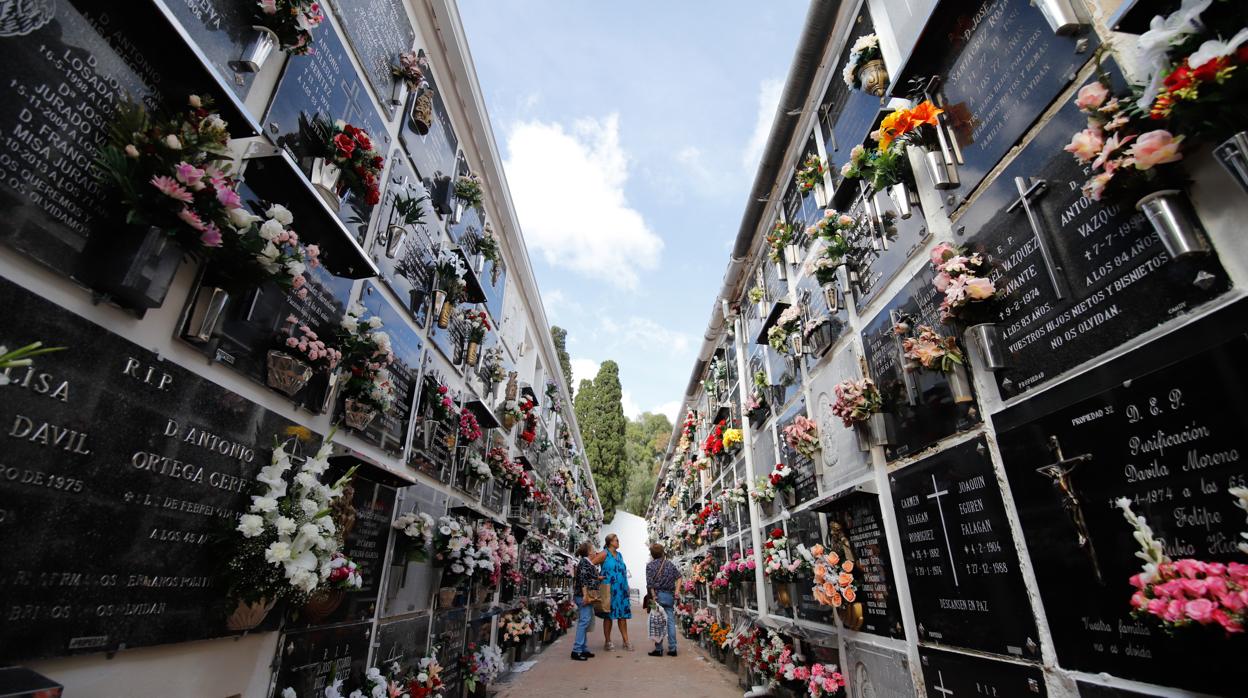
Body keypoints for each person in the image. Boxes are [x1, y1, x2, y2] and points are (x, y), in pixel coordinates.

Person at [572, 540, 606, 661]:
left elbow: (587, 577)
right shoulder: (584, 562)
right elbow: (583, 580)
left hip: (587, 596)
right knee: (584, 621)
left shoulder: (587, 562)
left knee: (586, 621)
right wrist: (585, 595)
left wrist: (598, 577)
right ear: (588, 551)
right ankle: (576, 650)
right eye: (592, 548)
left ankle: (583, 648)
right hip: (584, 596)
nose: (594, 550)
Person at [645, 543, 680, 657]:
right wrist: (676, 592)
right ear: (662, 552)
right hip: (669, 596)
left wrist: (654, 596)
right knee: (670, 621)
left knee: (657, 622)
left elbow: (650, 584)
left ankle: (659, 649)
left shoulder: (649, 566)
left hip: (657, 597)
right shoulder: (669, 564)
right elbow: (679, 577)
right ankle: (672, 648)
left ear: (652, 554)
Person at [600, 533, 633, 651]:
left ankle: (626, 641)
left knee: (622, 616)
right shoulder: (604, 554)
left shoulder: (620, 555)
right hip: (609, 590)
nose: (618, 542)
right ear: (610, 542)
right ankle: (607, 642)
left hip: (621, 589)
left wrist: (627, 586)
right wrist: (597, 577)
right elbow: (590, 564)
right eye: (616, 540)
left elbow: (622, 572)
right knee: (608, 617)